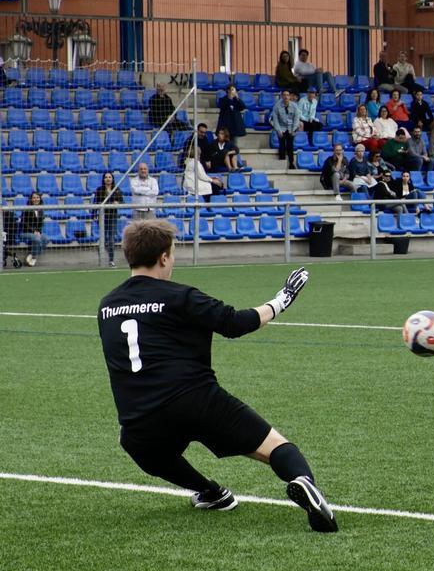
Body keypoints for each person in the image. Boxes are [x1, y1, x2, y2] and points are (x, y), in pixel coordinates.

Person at [96, 220, 335, 532]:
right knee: (276, 447)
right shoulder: (180, 296)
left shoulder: (106, 307)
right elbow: (235, 323)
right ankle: (303, 481)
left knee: (136, 444)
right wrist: (282, 300)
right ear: (164, 257)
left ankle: (211, 492)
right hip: (197, 400)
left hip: (141, 416)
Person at [94, 171, 126, 267]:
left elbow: (122, 202)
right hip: (102, 217)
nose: (108, 179)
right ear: (103, 179)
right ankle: (101, 259)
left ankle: (111, 260)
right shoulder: (99, 190)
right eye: (106, 177)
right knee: (102, 239)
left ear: (112, 179)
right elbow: (96, 202)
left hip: (112, 217)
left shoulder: (116, 189)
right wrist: (95, 214)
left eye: (110, 177)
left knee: (111, 239)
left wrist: (117, 203)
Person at [270, 91, 301, 170]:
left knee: (290, 146)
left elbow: (296, 119)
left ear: (290, 96)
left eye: (287, 95)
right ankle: (282, 163)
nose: (286, 97)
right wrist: (278, 130)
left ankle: (291, 163)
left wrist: (293, 130)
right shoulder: (277, 106)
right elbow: (275, 120)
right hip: (281, 127)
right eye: (284, 95)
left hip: (291, 128)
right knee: (282, 145)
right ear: (281, 96)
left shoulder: (294, 106)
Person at [17, 192, 48, 268]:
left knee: (45, 239)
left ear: (40, 199)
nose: (36, 199)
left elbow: (41, 224)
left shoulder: (41, 210)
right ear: (31, 199)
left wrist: (39, 232)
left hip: (35, 232)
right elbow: (24, 222)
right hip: (24, 232)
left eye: (37, 197)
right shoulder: (27, 209)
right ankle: (34, 258)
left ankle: (31, 255)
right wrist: (33, 231)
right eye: (34, 197)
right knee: (36, 239)